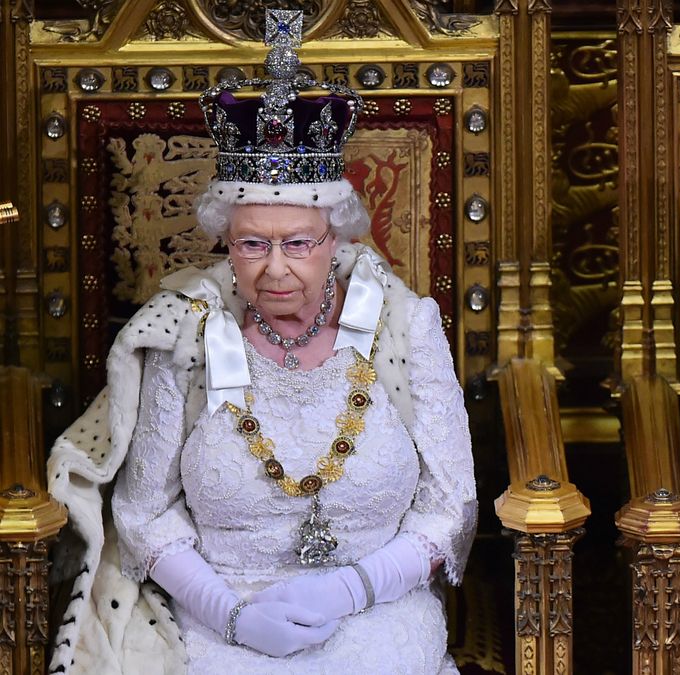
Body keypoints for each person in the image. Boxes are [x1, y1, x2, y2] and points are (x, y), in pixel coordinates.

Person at [46, 10, 476, 674]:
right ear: (227, 240)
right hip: (220, 627)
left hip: (379, 616)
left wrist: (353, 585)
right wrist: (231, 613)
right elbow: (144, 512)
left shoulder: (404, 327)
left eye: (298, 243)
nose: (275, 267)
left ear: (337, 239)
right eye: (253, 243)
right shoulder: (184, 334)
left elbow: (450, 506)